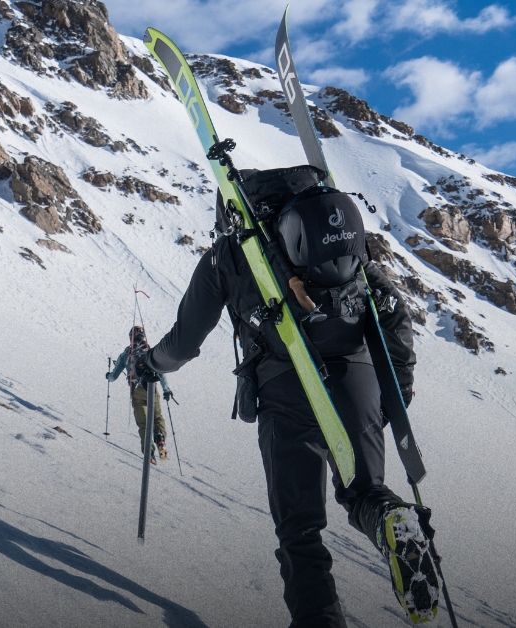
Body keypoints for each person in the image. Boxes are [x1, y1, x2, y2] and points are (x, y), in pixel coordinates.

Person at [133, 172, 439, 627]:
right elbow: (390, 308)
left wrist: (150, 363)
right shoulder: (337, 244)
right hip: (359, 378)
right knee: (364, 492)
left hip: (287, 386)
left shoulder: (229, 255)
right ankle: (391, 519)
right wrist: (396, 392)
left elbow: (184, 342)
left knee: (300, 530)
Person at [107, 326, 172, 463]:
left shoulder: (126, 355)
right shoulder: (151, 351)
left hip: (137, 391)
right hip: (152, 390)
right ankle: (160, 438)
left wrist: (108, 376)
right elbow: (161, 373)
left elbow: (113, 377)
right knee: (157, 417)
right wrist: (167, 390)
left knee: (143, 424)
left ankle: (149, 452)